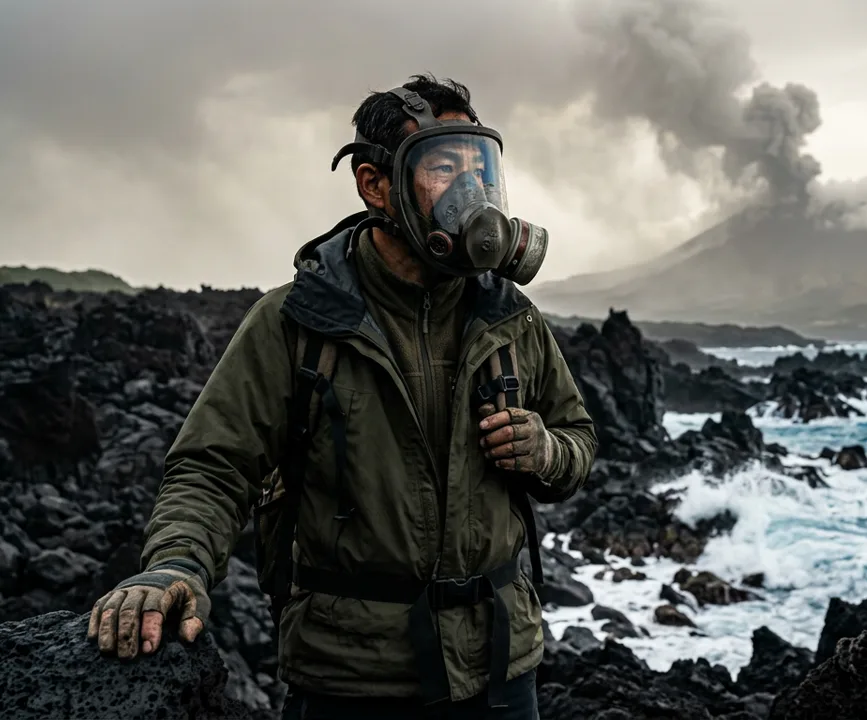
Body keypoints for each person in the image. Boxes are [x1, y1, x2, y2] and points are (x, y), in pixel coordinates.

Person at [85, 74, 597, 719]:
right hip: (352, 680)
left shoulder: (510, 318)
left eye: (480, 169)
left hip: (500, 672)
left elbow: (578, 441)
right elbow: (213, 466)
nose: (471, 194)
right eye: (442, 168)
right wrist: (174, 567)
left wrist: (545, 452)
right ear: (374, 183)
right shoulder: (297, 322)